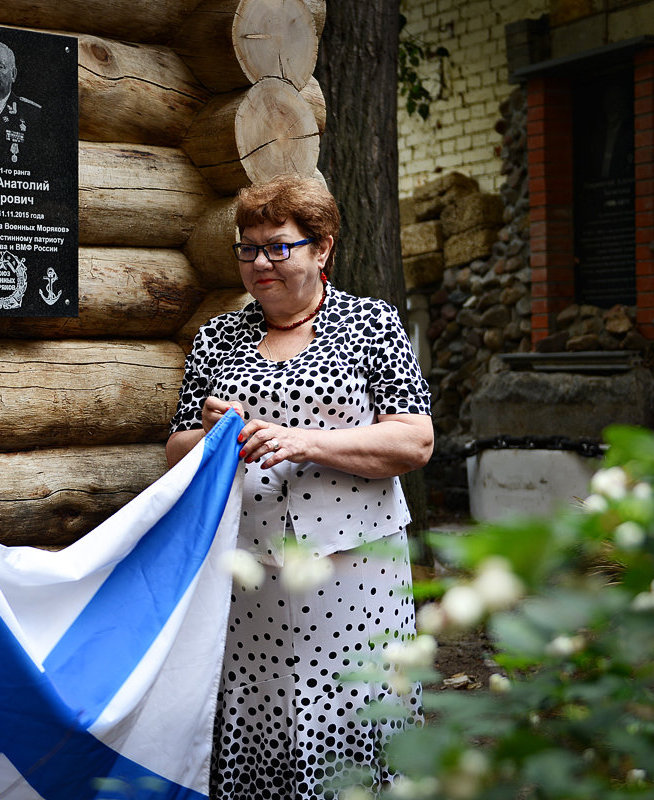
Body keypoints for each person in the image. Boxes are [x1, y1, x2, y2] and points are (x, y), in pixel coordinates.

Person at [165, 174, 434, 796]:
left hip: (352, 570)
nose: (260, 262)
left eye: (278, 246)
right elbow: (175, 452)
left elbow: (415, 441)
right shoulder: (217, 338)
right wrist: (209, 434)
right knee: (262, 709)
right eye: (248, 247)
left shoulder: (372, 324)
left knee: (351, 707)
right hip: (250, 572)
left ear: (323, 249)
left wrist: (304, 441)